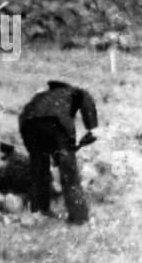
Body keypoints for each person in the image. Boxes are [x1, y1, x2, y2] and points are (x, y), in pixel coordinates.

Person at [18, 80, 99, 225]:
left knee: (39, 168)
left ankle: (39, 210)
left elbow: (25, 115)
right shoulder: (77, 92)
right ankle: (79, 217)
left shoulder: (42, 96)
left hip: (28, 125)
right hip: (55, 125)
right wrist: (91, 129)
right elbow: (88, 108)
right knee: (69, 173)